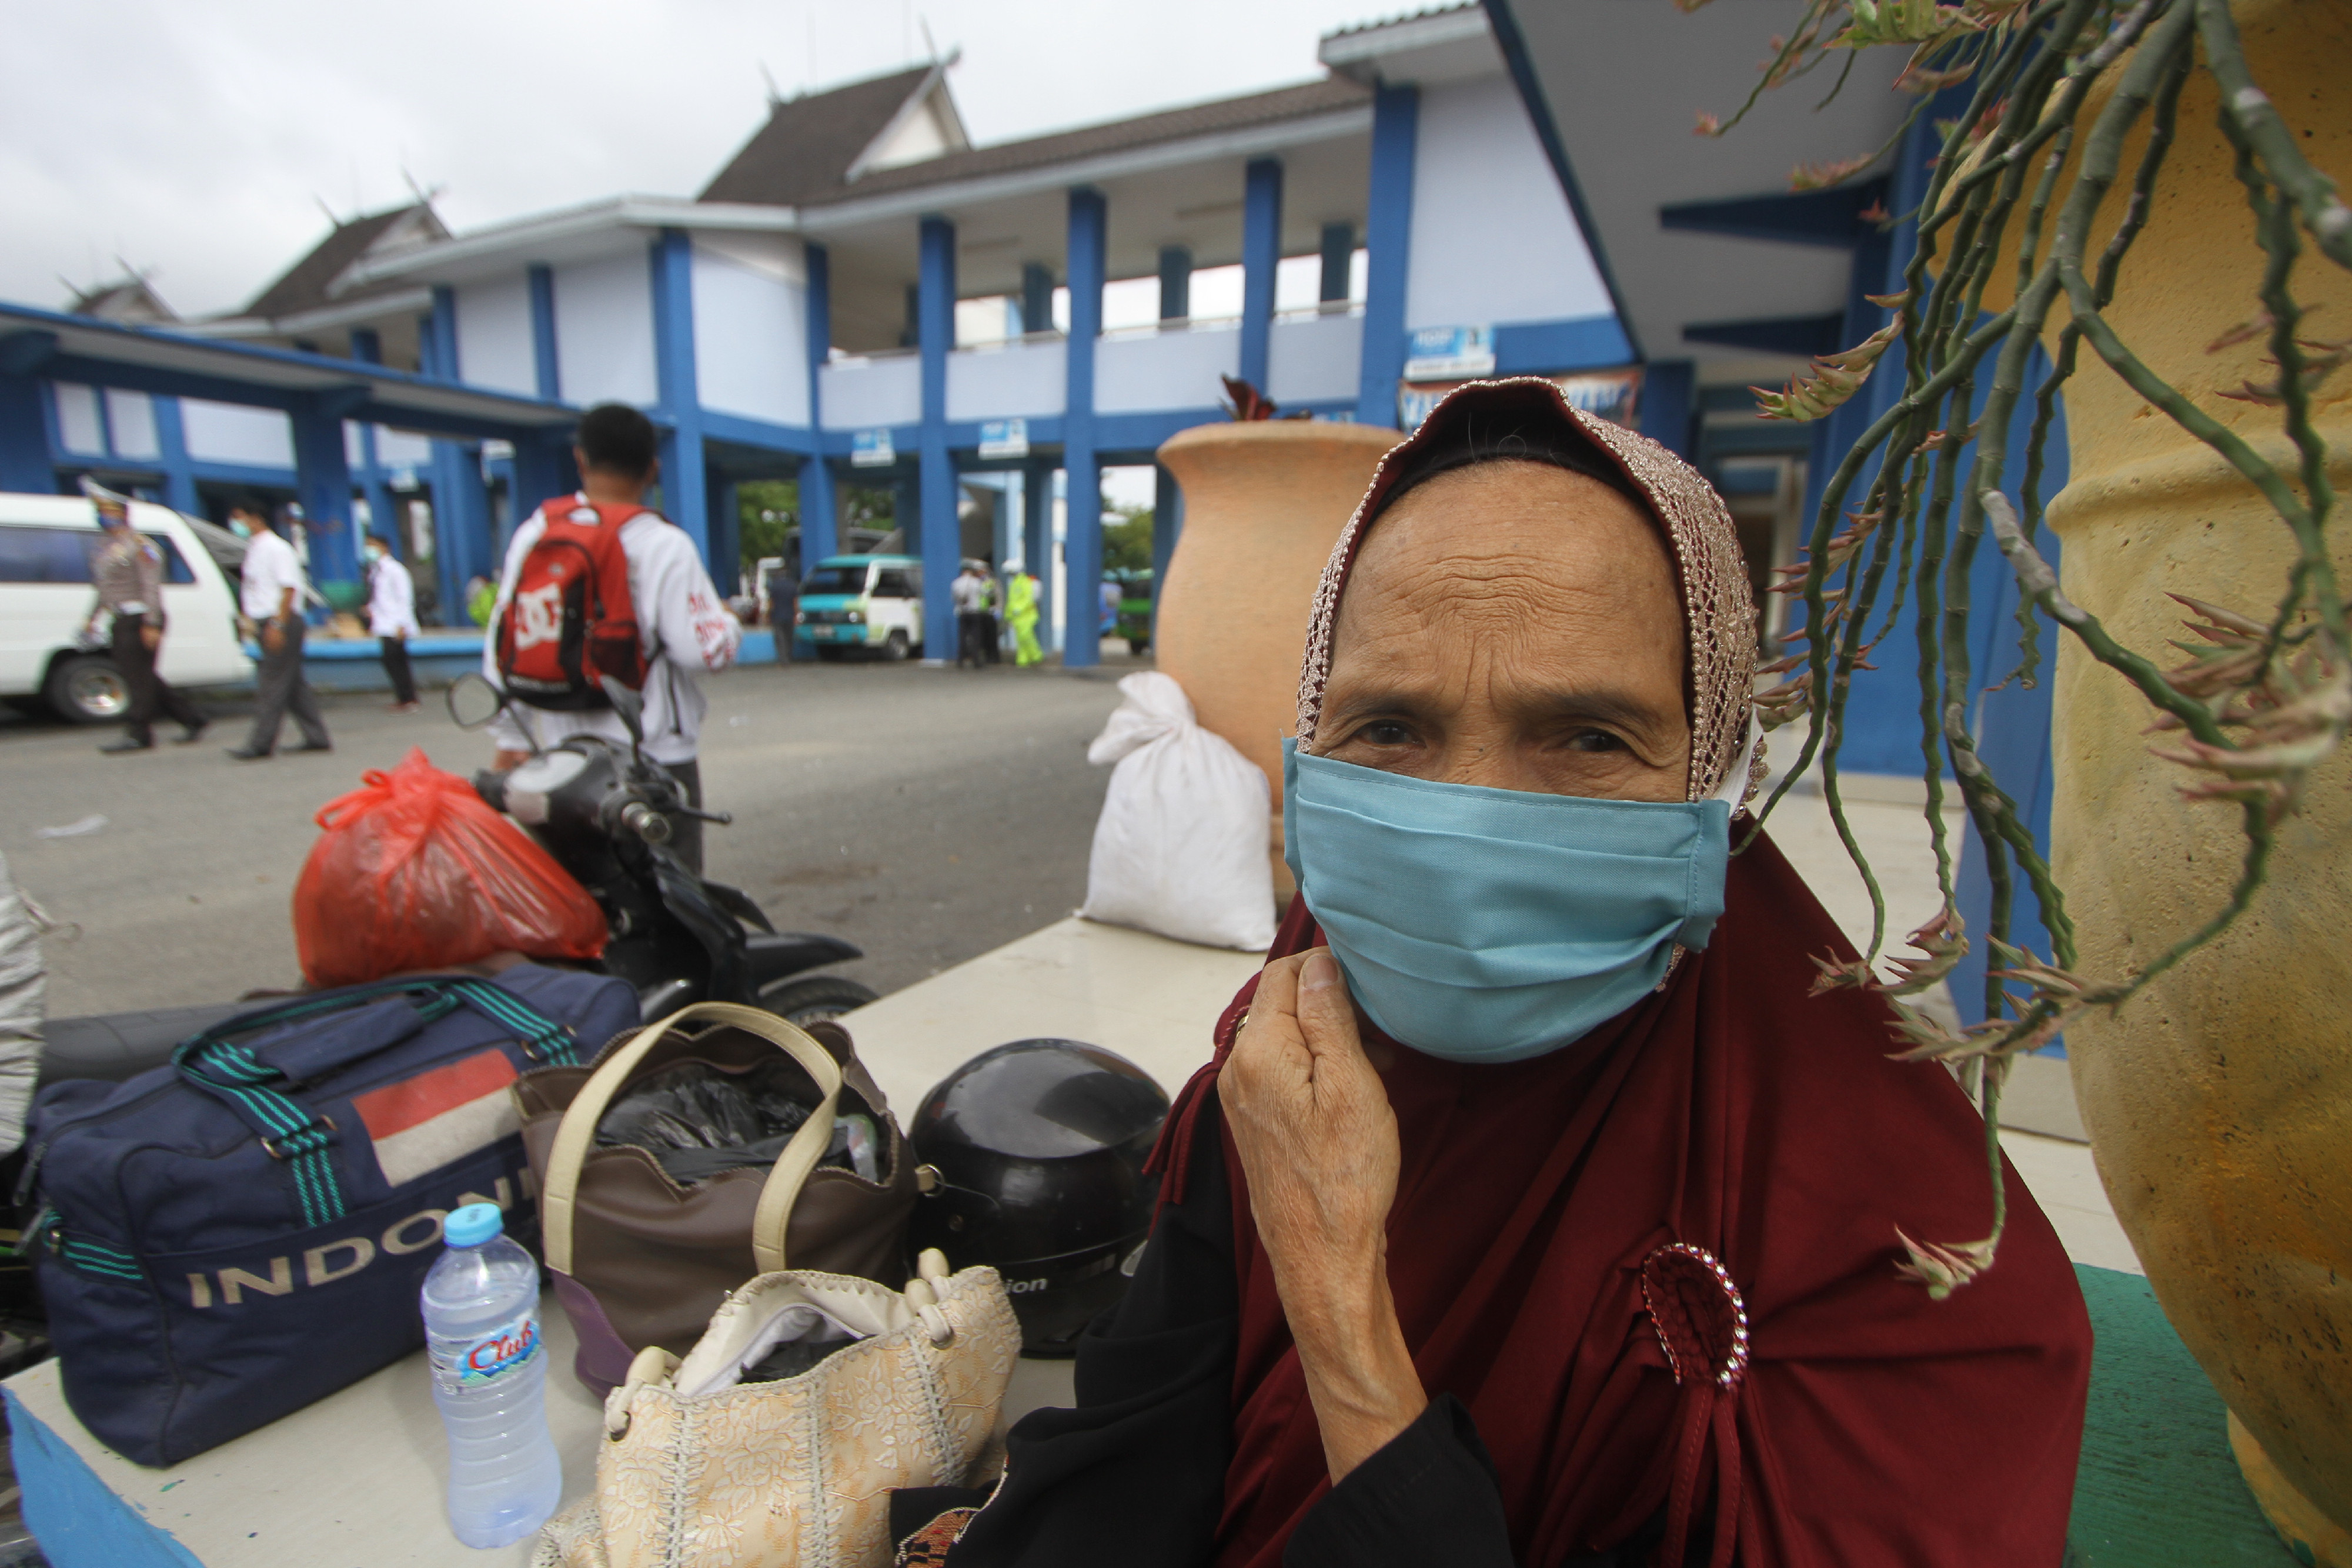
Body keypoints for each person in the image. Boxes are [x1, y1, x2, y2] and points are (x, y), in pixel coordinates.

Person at [902, 380, 2092, 1567]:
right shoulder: (1276, 1073)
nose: (1465, 816)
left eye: (1585, 736)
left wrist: (1341, 1320)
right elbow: (1129, 1453)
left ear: (1716, 777)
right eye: (1390, 728)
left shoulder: (1906, 1256)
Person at [482, 403, 740, 874]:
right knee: (670, 896)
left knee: (578, 894)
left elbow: (504, 640)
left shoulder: (537, 532)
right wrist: (729, 624)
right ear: (653, 469)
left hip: (564, 757)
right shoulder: (665, 544)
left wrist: (508, 736)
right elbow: (700, 651)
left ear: (581, 460)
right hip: (655, 757)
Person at [78, 484, 206, 753]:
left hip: (140, 616)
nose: (105, 516)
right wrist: (92, 617)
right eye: (101, 512)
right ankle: (192, 719)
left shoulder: (141, 546)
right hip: (121, 617)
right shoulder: (104, 546)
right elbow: (104, 588)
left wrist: (153, 623)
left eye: (110, 511)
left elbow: (151, 586)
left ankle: (139, 733)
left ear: (124, 515)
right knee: (142, 675)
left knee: (137, 679)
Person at [224, 499, 330, 761]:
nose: (236, 524)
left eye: (240, 518)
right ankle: (316, 737)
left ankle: (260, 743)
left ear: (256, 518)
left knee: (271, 684)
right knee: (293, 685)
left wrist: (278, 624)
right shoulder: (254, 548)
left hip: (281, 621)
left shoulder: (276, 549)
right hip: (266, 621)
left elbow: (289, 588)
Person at [365, 533, 422, 712]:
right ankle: (403, 697)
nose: (369, 550)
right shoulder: (376, 571)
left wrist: (402, 624)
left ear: (384, 547)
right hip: (383, 622)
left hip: (395, 623)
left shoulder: (395, 570)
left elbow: (404, 598)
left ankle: (409, 698)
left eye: (372, 545)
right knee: (391, 660)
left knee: (396, 660)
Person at [953, 560, 993, 669]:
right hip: (975, 613)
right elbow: (987, 593)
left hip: (962, 612)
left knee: (962, 637)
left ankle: (960, 661)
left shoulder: (956, 583)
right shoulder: (977, 582)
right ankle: (976, 661)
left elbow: (953, 598)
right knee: (976, 637)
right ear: (971, 571)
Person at [1006, 570, 1043, 667]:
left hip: (1026, 615)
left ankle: (1036, 655)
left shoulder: (1024, 583)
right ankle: (1023, 659)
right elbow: (1011, 601)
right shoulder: (1015, 583)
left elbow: (1028, 598)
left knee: (1026, 636)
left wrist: (1019, 609)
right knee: (1021, 639)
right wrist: (1009, 615)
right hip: (1018, 616)